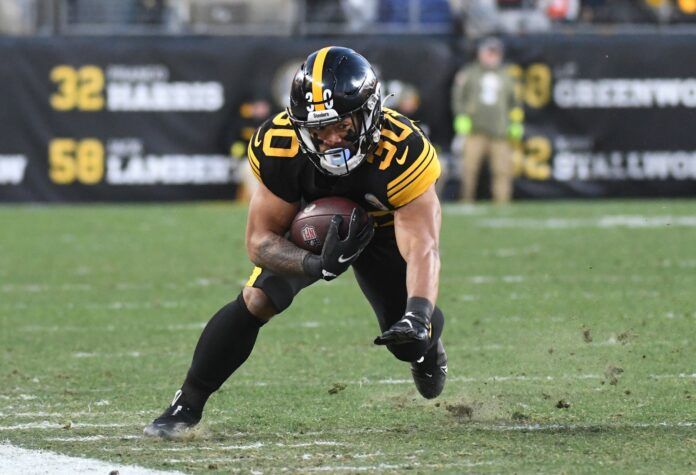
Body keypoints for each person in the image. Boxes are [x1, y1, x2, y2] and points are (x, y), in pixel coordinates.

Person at [144, 46, 448, 439]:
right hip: (313, 225)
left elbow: (423, 245)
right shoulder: (280, 143)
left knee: (405, 338)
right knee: (257, 298)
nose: (332, 140)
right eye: (319, 130)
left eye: (343, 125)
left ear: (369, 113)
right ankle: (186, 405)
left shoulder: (402, 148)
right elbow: (259, 241)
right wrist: (312, 264)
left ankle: (428, 348)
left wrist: (419, 314)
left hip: (383, 228)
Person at [451, 37, 523, 203]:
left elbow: (515, 102)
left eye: (495, 53)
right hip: (474, 131)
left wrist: (516, 122)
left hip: (500, 131)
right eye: (489, 52)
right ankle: (466, 201)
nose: (492, 56)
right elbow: (458, 97)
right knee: (468, 170)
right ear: (480, 53)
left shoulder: (507, 75)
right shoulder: (469, 73)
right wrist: (461, 116)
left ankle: (502, 204)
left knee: (502, 170)